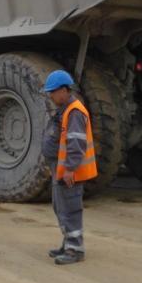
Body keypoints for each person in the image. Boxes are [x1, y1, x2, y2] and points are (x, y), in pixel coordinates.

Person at [42, 70, 97, 265]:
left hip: (70, 172)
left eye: (53, 92)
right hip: (62, 169)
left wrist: (70, 169)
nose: (50, 95)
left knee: (71, 210)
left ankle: (75, 250)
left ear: (64, 90)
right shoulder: (65, 109)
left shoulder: (74, 111)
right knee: (61, 208)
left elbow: (76, 144)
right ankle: (68, 244)